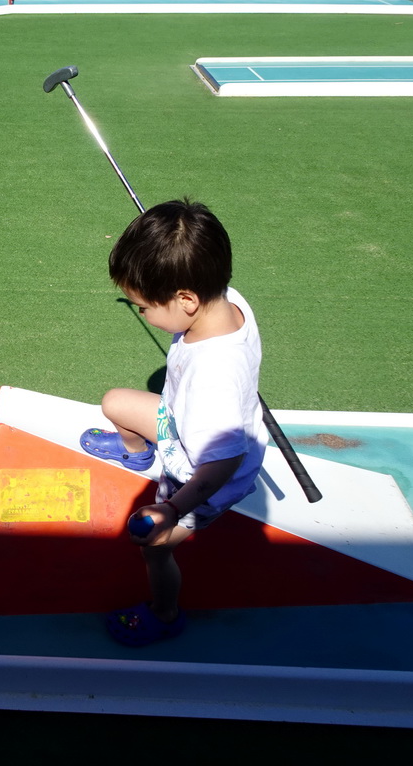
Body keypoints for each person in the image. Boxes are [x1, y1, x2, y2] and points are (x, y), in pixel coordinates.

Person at [79, 198, 267, 647]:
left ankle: (165, 613)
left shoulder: (214, 379)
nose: (141, 313)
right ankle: (138, 452)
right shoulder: (224, 298)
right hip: (178, 422)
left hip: (203, 472)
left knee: (154, 547)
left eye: (143, 306)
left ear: (186, 299)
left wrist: (171, 510)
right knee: (115, 403)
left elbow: (220, 464)